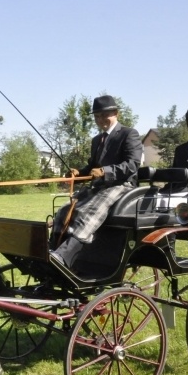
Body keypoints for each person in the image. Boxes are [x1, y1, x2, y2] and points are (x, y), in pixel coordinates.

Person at [50, 95, 142, 269]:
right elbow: (93, 167)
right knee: (64, 210)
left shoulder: (128, 134)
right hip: (100, 186)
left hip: (122, 185)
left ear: (116, 113)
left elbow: (133, 164)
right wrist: (78, 173)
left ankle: (63, 256)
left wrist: (105, 171)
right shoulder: (96, 140)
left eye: (104, 115)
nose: (101, 120)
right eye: (97, 116)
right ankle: (52, 249)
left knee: (89, 211)